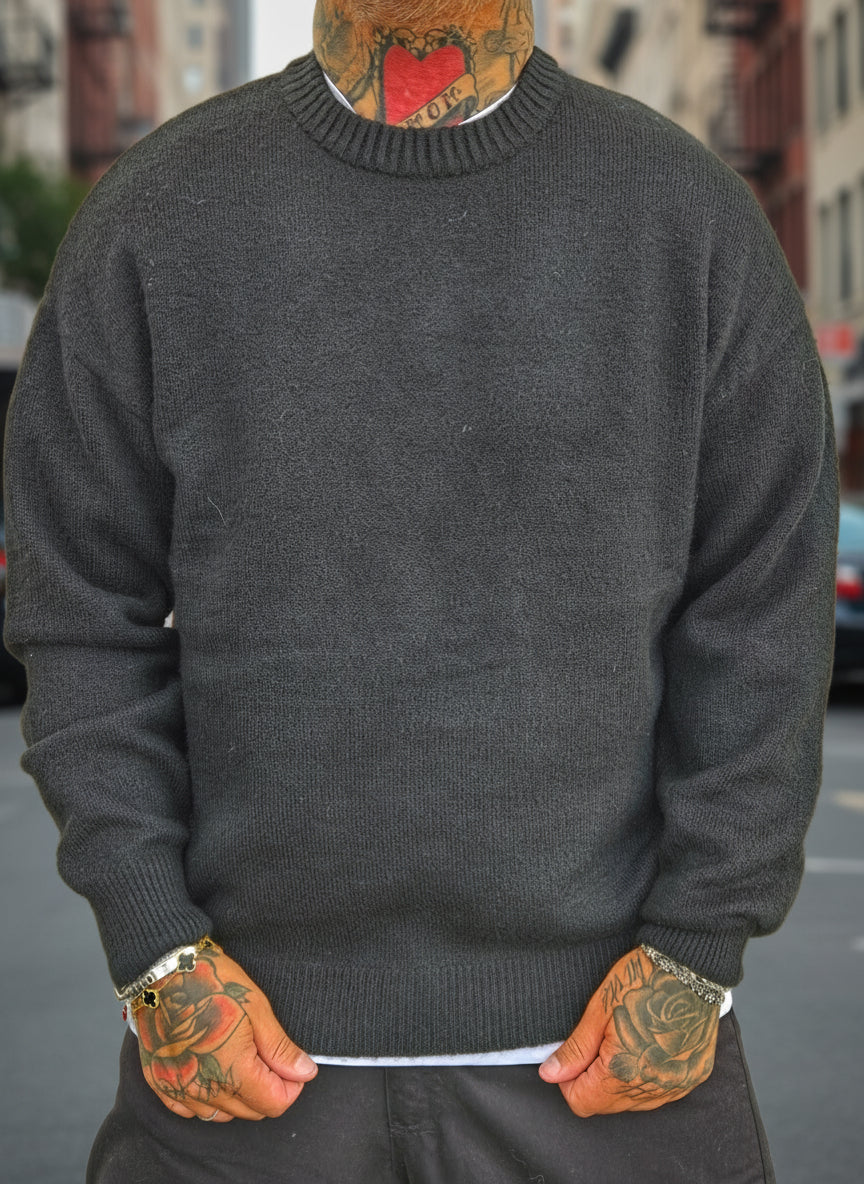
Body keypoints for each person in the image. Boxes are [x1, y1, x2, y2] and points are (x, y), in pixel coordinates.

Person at [2, 1, 838, 1180]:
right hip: (238, 1082)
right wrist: (157, 952)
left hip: (618, 1084)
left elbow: (764, 604)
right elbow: (81, 609)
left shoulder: (684, 212)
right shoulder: (156, 214)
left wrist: (698, 947)